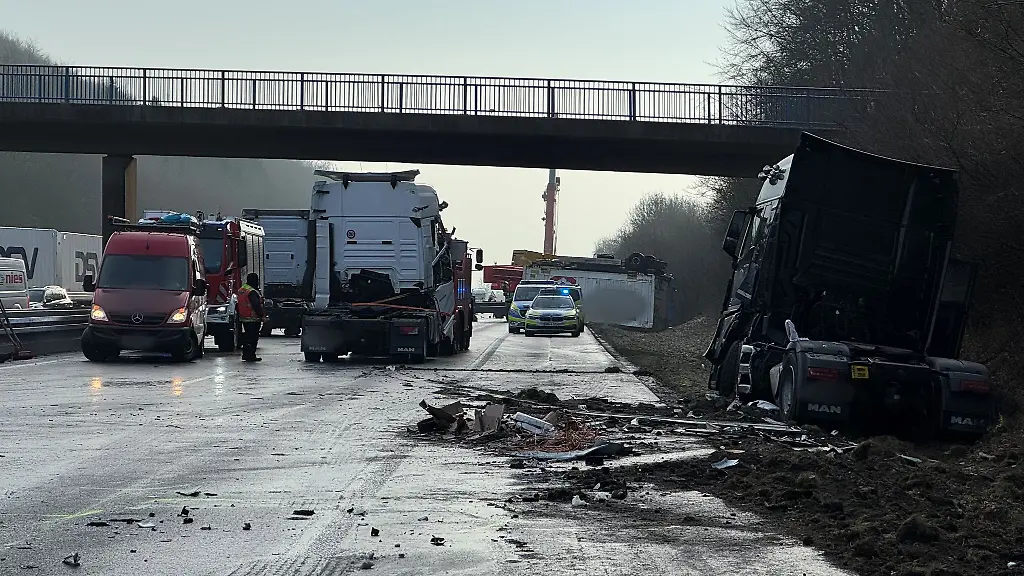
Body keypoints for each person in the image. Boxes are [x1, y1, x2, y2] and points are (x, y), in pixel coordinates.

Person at [236, 272, 267, 362]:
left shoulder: (242, 289)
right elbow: (256, 305)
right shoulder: (252, 291)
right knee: (253, 338)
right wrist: (262, 316)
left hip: (244, 318)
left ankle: (246, 354)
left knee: (247, 337)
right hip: (253, 318)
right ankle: (251, 355)